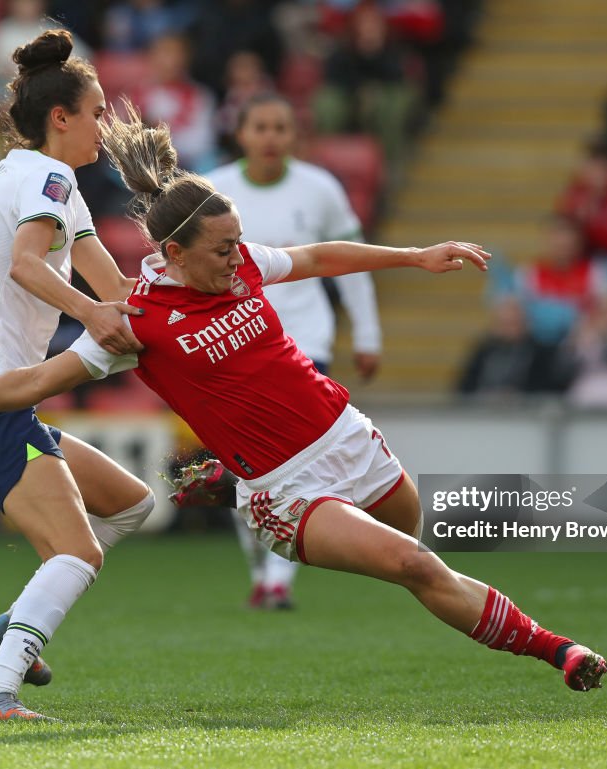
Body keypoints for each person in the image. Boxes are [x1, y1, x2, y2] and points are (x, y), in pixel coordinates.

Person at [0, 108, 607, 711]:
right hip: (290, 487)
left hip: (347, 434)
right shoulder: (138, 324)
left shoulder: (242, 263)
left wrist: (417, 255)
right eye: (222, 251)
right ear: (175, 253)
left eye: (238, 246)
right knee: (415, 563)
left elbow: (318, 258)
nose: (238, 260)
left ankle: (225, 478)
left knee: (410, 535)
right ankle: (560, 650)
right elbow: (32, 384)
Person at [0, 30, 156, 721]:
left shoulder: (39, 181)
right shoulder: (48, 176)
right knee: (77, 553)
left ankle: (10, 626)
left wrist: (162, 319)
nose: (106, 125)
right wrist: (93, 319)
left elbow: (114, 287)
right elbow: (25, 264)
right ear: (60, 118)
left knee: (131, 503)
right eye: (97, 112)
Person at [207, 92, 382, 610]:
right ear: (240, 134)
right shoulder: (214, 190)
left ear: (294, 136)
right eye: (260, 126)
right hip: (235, 346)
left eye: (280, 127)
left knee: (298, 469)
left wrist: (367, 334)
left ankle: (277, 583)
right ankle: (264, 572)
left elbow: (346, 262)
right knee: (246, 469)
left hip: (303, 341)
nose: (270, 137)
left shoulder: (320, 189)